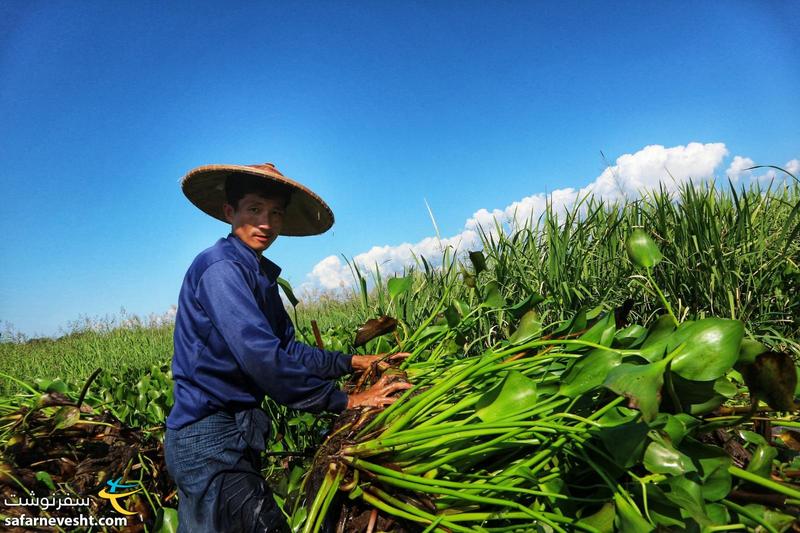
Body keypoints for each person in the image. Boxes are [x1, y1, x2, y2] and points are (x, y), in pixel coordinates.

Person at [164, 162, 411, 532]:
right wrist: (346, 401)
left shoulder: (257, 274)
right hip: (207, 436)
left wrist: (354, 361)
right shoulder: (221, 269)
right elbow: (261, 357)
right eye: (254, 210)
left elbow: (288, 350)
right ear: (229, 212)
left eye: (275, 213)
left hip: (233, 433)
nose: (266, 222)